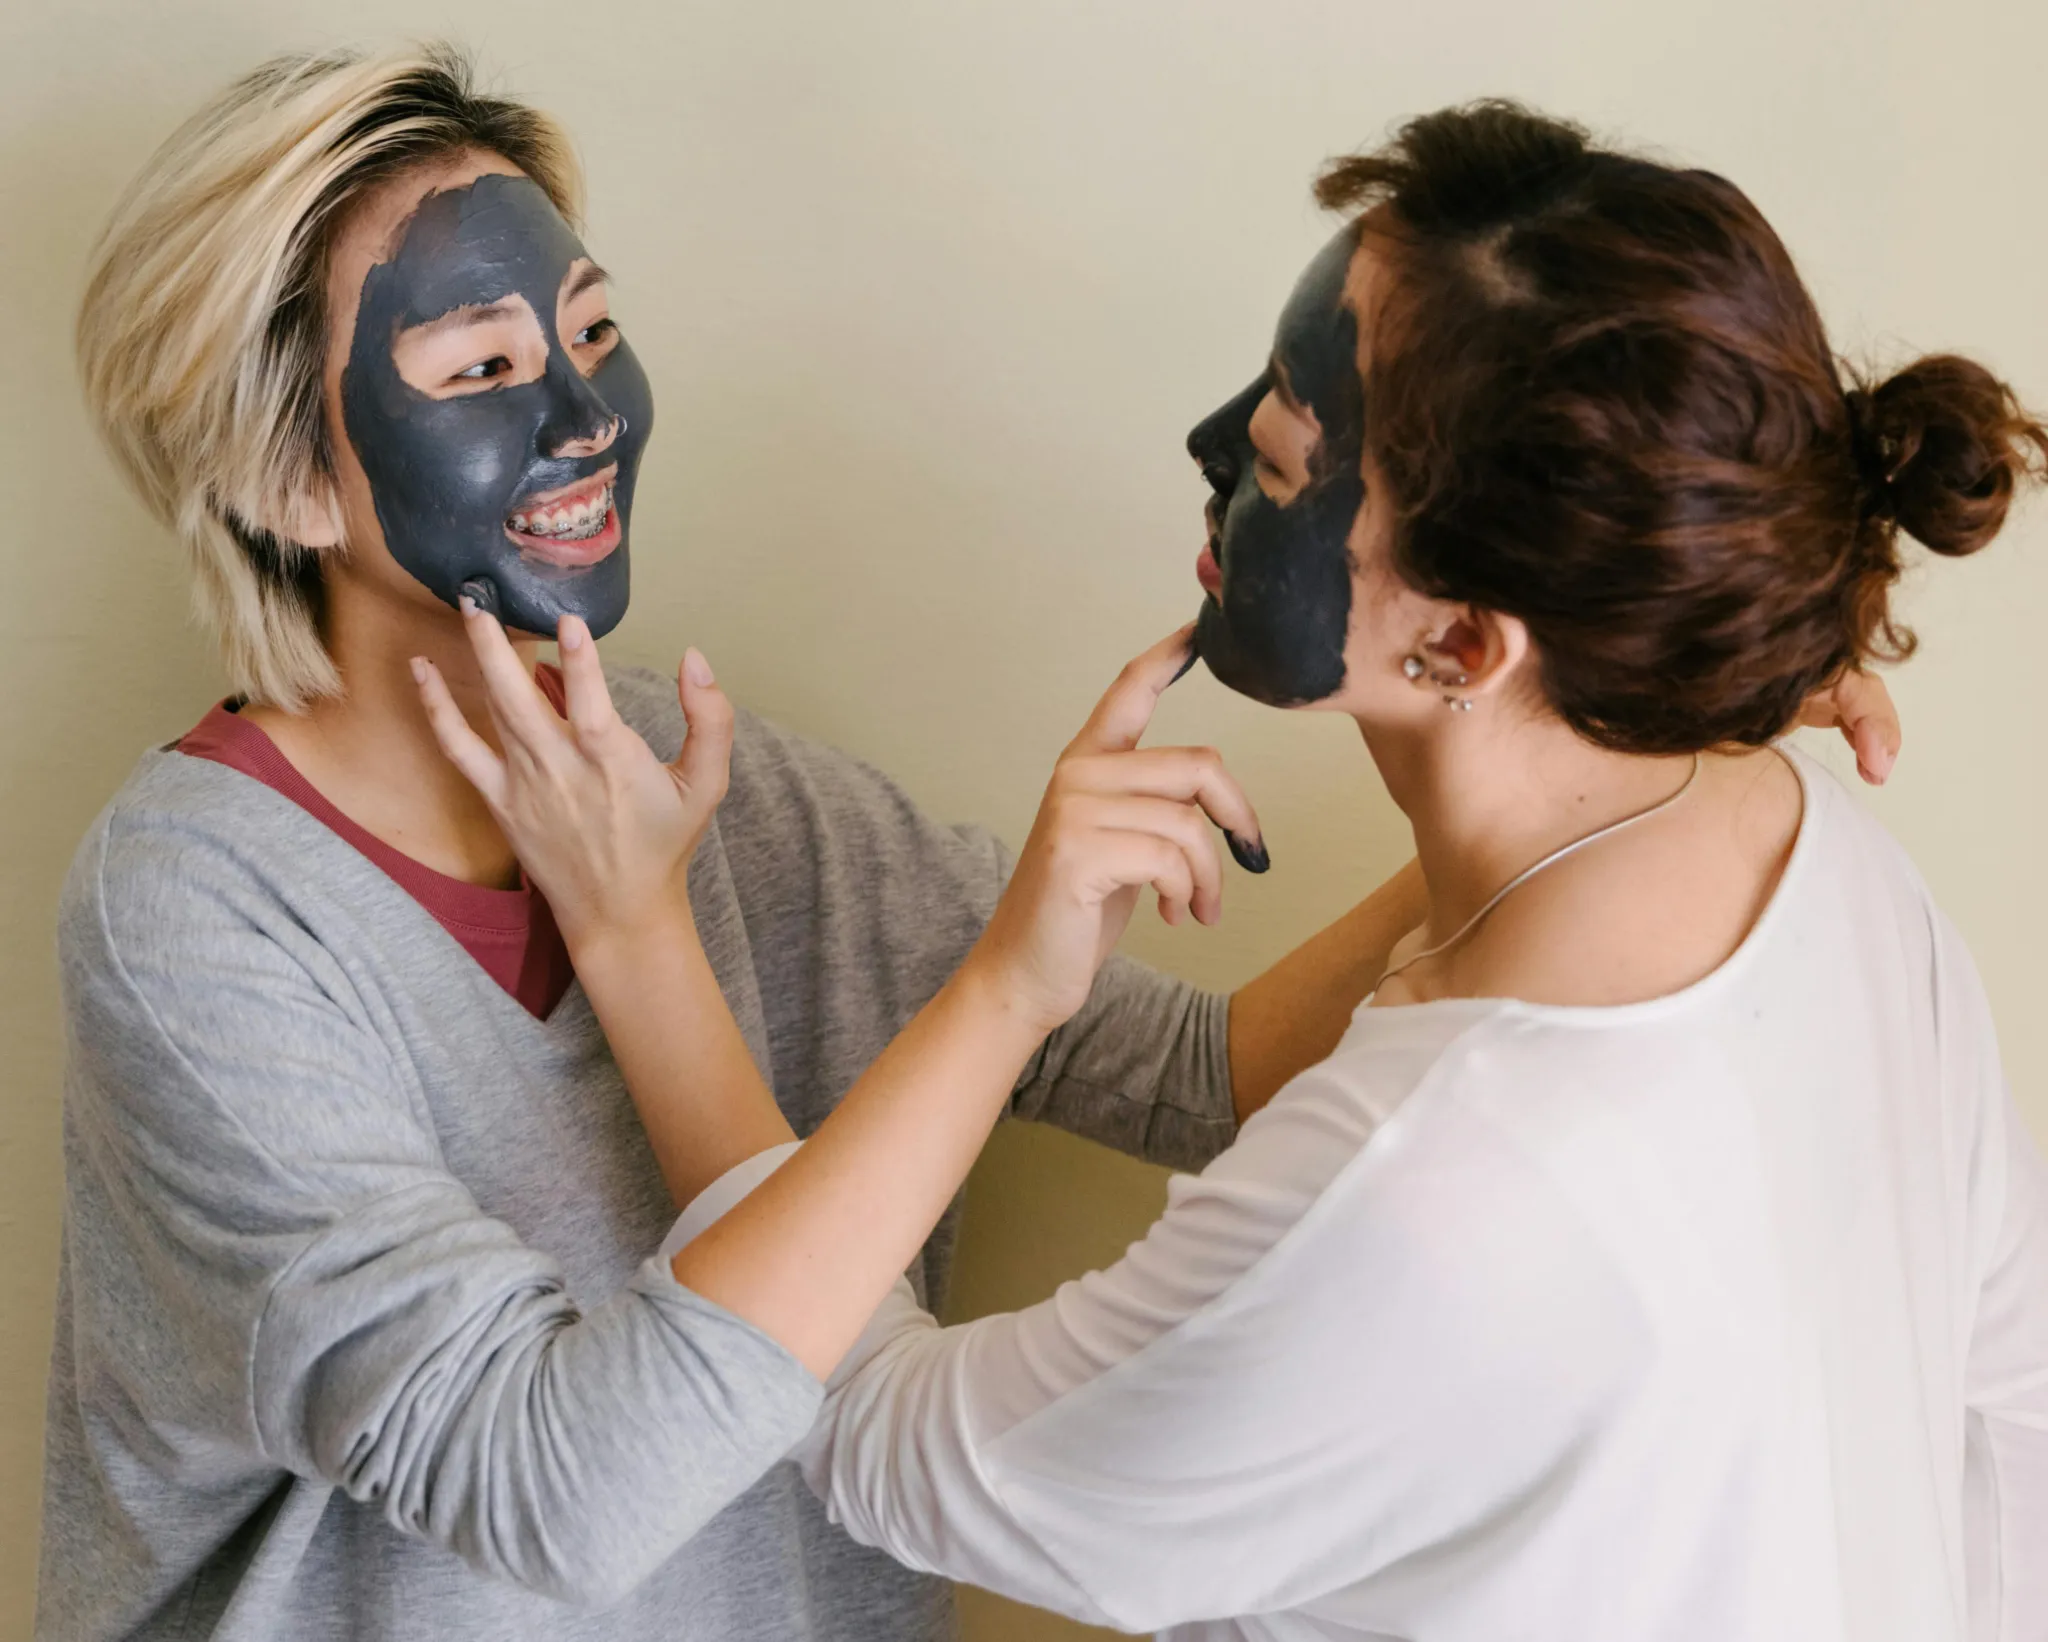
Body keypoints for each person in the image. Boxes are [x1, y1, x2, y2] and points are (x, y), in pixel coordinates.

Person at [429, 104, 2047, 1641]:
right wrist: (1699, 689)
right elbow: (2011, 1416)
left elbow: (879, 1437)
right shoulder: (1821, 856)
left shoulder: (1431, 1191)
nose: (1206, 445)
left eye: (1277, 458)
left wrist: (641, 931)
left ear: (1465, 639)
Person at [41, 44, 1476, 1642]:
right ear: (286, 476)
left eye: (593, 334)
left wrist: (1603, 727)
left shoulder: (717, 777)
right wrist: (999, 982)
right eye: (481, 372)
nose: (586, 415)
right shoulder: (188, 914)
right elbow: (560, 1490)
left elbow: (1211, 1083)